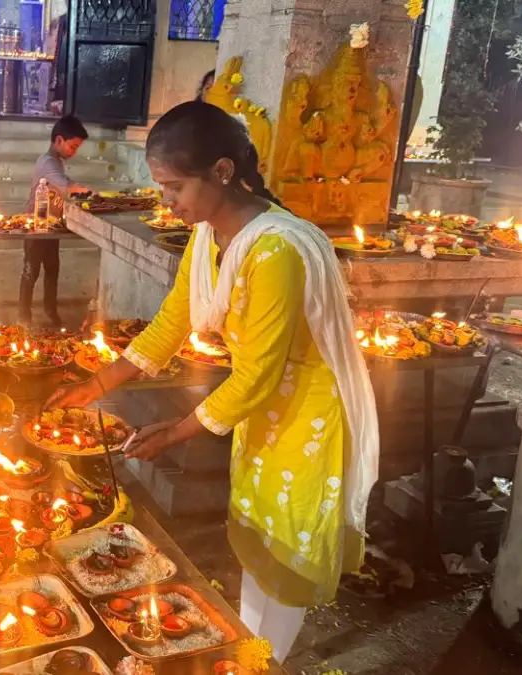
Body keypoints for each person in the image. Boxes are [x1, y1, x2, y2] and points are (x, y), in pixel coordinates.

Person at [47, 101, 379, 662]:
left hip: (307, 418)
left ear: (222, 172)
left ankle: (264, 662)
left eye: (175, 187)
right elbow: (171, 323)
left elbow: (257, 374)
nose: (167, 201)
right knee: (258, 540)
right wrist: (95, 386)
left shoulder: (275, 251)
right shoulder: (209, 236)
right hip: (262, 410)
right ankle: (250, 647)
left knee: (288, 548)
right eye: (162, 187)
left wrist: (174, 432)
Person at [19, 114, 89, 327]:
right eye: (73, 146)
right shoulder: (47, 162)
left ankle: (50, 311)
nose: (74, 152)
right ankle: (23, 316)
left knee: (52, 269)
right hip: (36, 226)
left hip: (51, 226)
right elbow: (66, 187)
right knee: (31, 271)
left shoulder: (56, 162)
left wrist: (84, 190)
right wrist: (90, 193)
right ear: (59, 140)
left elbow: (68, 181)